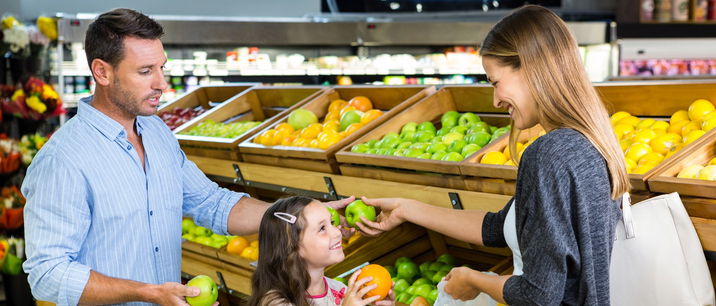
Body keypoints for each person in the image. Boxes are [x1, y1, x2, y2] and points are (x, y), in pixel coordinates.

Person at [20, 9, 353, 306]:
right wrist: (145, 292)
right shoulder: (64, 159)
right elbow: (47, 273)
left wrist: (303, 217)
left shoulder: (157, 134)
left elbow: (212, 203)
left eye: (162, 68)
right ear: (102, 72)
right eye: (145, 71)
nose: (161, 84)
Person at [355, 5, 630, 305]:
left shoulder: (549, 153)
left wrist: (474, 280)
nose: (496, 100)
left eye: (495, 82)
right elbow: (501, 227)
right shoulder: (586, 143)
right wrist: (407, 209)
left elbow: (539, 296)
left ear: (531, 68)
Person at [249, 196, 393, 306]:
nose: (337, 233)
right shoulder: (276, 302)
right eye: (322, 228)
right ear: (291, 246)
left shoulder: (340, 290)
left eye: (331, 222)